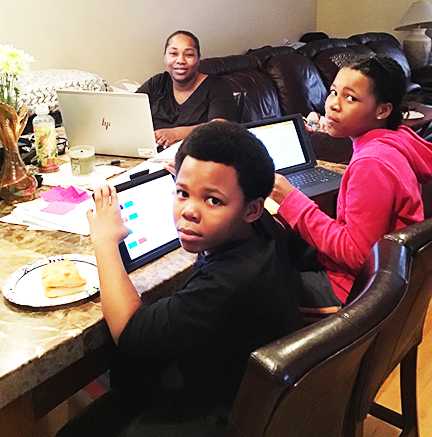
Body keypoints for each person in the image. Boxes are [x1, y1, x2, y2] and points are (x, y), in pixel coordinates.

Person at [56, 121, 302, 437]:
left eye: (213, 200)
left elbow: (131, 334)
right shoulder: (260, 228)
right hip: (240, 380)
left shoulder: (226, 284)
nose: (189, 211)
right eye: (182, 193)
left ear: (251, 209)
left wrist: (105, 241)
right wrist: (201, 187)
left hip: (221, 410)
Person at [270, 55, 432, 310]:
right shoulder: (394, 141)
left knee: (251, 291)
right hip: (385, 275)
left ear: (383, 110)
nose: (333, 104)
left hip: (354, 289)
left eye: (351, 98)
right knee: (283, 252)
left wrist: (291, 200)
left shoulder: (372, 164)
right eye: (334, 92)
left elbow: (357, 255)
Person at [136, 30, 237, 148]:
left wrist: (175, 133)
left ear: (198, 59)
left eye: (189, 55)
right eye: (174, 54)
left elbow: (220, 128)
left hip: (197, 158)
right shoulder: (157, 83)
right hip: (151, 158)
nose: (180, 60)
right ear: (165, 58)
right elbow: (128, 111)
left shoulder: (217, 86)